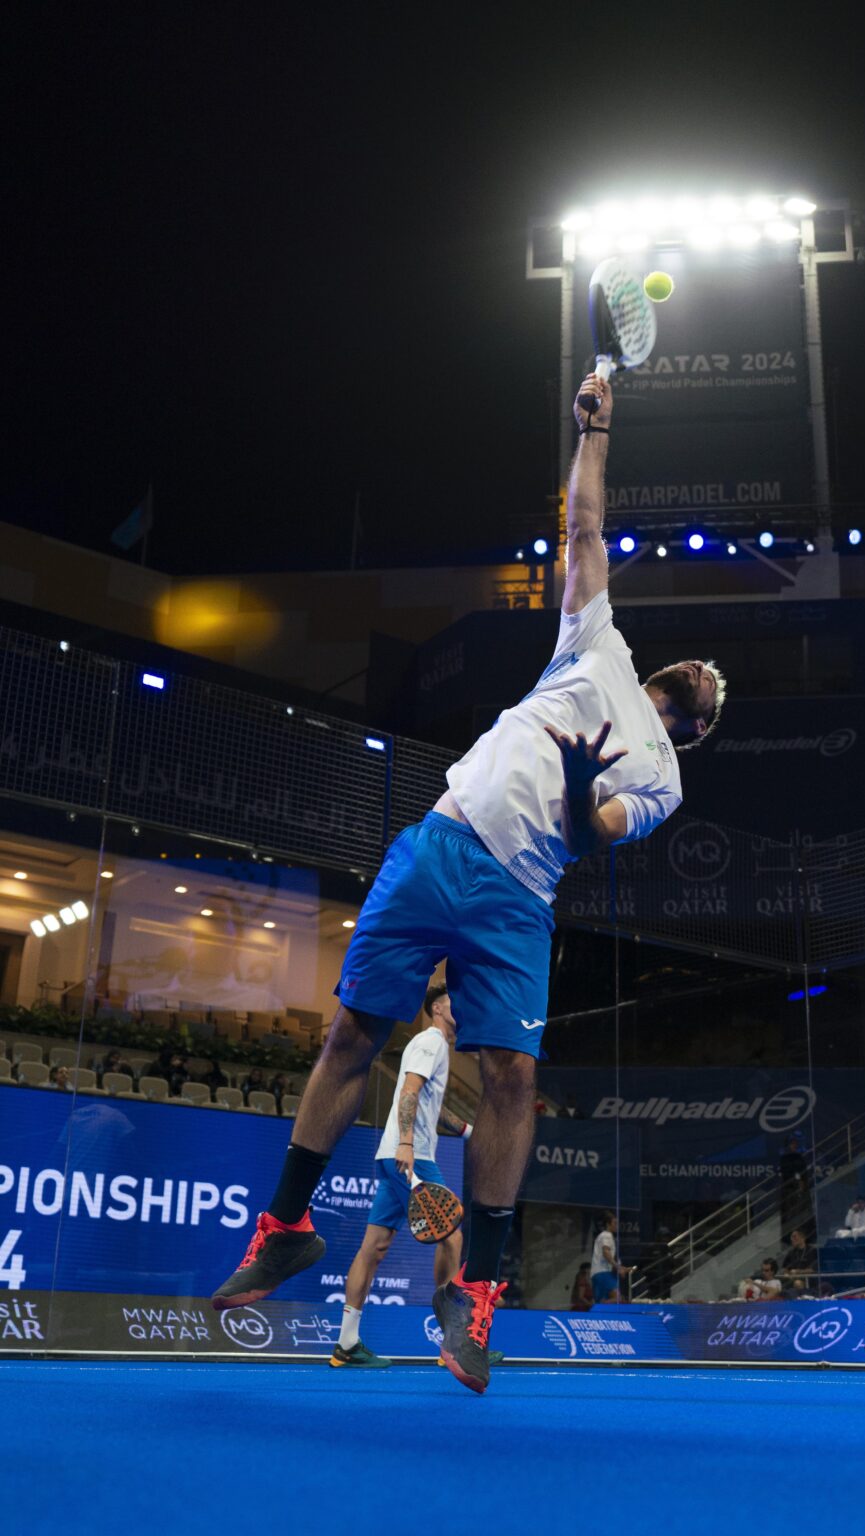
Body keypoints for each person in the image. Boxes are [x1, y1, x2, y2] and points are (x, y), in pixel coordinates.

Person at [209, 370, 726, 1394]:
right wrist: (594, 431)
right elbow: (585, 527)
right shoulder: (598, 643)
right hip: (439, 844)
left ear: (698, 728)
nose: (706, 678)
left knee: (514, 1082)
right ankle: (283, 1228)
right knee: (349, 1035)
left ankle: (477, 1295)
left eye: (714, 694)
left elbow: (594, 834)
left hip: (516, 899)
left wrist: (578, 787)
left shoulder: (664, 779)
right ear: (665, 674)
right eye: (701, 669)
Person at [330, 986, 478, 1369]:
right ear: (438, 1008)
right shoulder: (431, 1043)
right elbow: (410, 1091)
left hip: (393, 1153)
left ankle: (346, 1343)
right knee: (452, 1237)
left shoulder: (431, 1045)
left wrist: (466, 1131)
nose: (464, 1007)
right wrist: (408, 1145)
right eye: (456, 1001)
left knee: (373, 1247)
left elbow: (430, 1103)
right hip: (411, 1155)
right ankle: (454, 1344)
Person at [779, 1136, 813, 1242]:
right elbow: (785, 1175)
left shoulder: (799, 1157)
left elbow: (803, 1173)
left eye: (795, 1143)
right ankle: (789, 1237)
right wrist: (795, 1182)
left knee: (803, 1212)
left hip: (801, 1192)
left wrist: (802, 1183)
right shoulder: (784, 1159)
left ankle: (805, 1236)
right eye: (792, 1144)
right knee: (790, 1214)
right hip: (789, 1191)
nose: (794, 1145)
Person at [591, 1213, 630, 1304]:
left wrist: (621, 1268)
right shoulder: (607, 1235)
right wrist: (618, 1268)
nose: (617, 1226)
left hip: (598, 1274)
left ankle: (598, 1310)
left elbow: (606, 1257)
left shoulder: (602, 1236)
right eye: (615, 1223)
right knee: (618, 1299)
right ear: (608, 1224)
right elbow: (606, 1252)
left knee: (603, 1302)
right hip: (604, 1274)